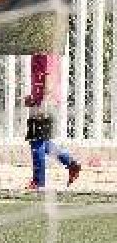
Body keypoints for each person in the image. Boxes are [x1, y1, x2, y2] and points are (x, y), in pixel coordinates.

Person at [23, 52, 82, 192]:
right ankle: (71, 163)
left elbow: (49, 78)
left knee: (36, 142)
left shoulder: (46, 52)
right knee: (43, 143)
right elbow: (41, 78)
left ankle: (39, 182)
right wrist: (33, 98)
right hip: (42, 102)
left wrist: (43, 102)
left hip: (45, 104)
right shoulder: (40, 52)